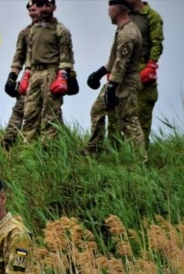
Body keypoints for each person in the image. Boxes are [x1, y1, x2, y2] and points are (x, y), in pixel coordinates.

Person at [85, 0, 144, 159]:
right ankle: (94, 149)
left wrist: (111, 88)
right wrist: (98, 73)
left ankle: (139, 160)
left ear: (115, 11)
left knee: (129, 121)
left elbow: (121, 64)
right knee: (97, 110)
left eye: (108, 10)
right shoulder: (122, 30)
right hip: (118, 82)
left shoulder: (128, 33)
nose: (107, 13)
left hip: (125, 84)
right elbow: (114, 60)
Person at [108, 0, 164, 148]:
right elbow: (118, 45)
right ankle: (113, 150)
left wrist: (151, 65)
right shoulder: (125, 14)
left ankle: (140, 154)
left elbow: (157, 43)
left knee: (141, 112)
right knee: (114, 109)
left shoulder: (151, 16)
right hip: (124, 67)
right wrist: (111, 69)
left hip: (142, 66)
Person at [20, 0, 75, 144]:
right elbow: (29, 55)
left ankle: (48, 150)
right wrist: (26, 75)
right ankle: (28, 150)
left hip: (51, 73)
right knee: (30, 112)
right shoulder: (34, 30)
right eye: (41, 5)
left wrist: (62, 77)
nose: (44, 9)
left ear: (54, 7)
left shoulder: (61, 30)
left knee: (50, 115)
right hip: (35, 74)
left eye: (47, 5)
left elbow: (66, 57)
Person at [2, 1, 41, 150]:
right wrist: (12, 77)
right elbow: (19, 57)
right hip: (28, 78)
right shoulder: (25, 33)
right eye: (30, 10)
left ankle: (50, 144)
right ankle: (8, 142)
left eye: (35, 10)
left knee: (49, 113)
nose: (32, 13)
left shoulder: (53, 30)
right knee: (19, 108)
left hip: (45, 75)